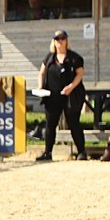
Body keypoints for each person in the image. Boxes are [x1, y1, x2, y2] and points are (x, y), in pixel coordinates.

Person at [36, 29, 87, 161]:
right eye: (57, 39)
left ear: (66, 41)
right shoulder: (49, 58)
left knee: (74, 123)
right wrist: (40, 86)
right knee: (50, 124)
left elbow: (80, 74)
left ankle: (81, 151)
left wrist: (71, 87)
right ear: (54, 41)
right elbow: (42, 73)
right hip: (52, 96)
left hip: (70, 95)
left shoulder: (74, 57)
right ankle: (48, 152)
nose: (60, 41)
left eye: (62, 39)